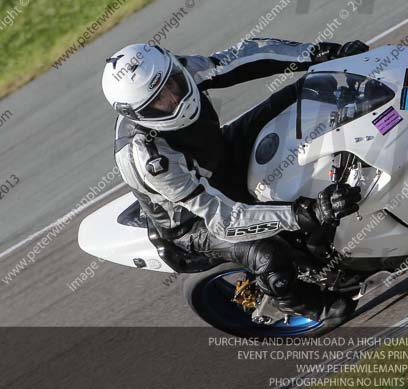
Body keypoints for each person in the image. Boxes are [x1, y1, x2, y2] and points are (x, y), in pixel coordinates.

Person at [101, 37, 369, 322]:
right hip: (193, 218)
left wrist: (321, 52)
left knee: (304, 93)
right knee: (269, 256)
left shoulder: (174, 70)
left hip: (220, 154)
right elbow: (223, 217)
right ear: (138, 114)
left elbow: (240, 58)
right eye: (158, 102)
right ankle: (299, 302)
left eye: (172, 84)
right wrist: (308, 212)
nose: (173, 98)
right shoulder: (151, 157)